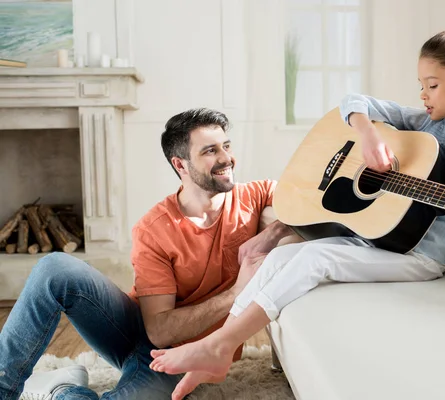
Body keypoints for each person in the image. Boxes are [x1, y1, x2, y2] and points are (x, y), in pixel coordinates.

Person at [148, 25, 445, 399]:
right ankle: (219, 347)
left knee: (317, 257)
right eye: (420, 84)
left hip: (421, 257)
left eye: (431, 85)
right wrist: (368, 134)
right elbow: (353, 102)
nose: (422, 94)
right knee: (281, 257)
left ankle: (219, 346)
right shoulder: (423, 121)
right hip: (377, 241)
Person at [0, 107, 294, 400]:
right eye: (210, 151)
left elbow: (312, 204)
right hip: (139, 330)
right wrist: (236, 294)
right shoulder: (154, 229)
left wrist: (273, 232)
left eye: (226, 146)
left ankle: (60, 388)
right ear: (181, 165)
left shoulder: (256, 195)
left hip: (181, 356)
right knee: (54, 268)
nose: (226, 158)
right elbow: (159, 332)